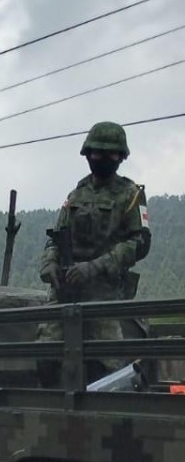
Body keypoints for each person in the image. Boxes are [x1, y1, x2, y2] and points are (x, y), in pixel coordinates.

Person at [39, 121, 150, 382]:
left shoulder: (131, 195)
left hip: (103, 292)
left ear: (121, 157)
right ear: (88, 154)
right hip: (65, 290)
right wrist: (49, 265)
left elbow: (140, 243)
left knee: (106, 364)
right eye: (97, 153)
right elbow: (55, 238)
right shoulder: (75, 195)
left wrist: (95, 267)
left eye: (110, 154)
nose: (102, 159)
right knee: (46, 356)